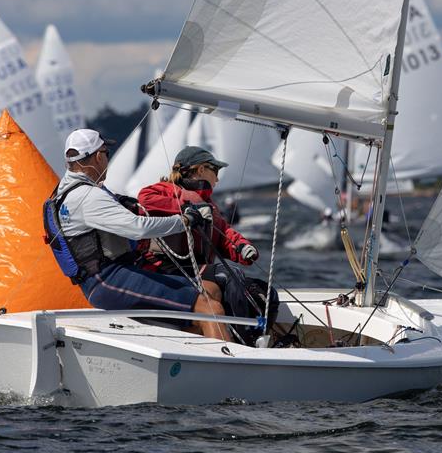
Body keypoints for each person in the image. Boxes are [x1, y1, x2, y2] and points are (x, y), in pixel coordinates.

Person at [43, 129, 229, 340]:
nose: (107, 160)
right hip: (108, 280)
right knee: (210, 308)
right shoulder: (87, 196)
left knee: (210, 290)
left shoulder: (66, 191)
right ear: (97, 156)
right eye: (106, 153)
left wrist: (125, 202)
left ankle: (196, 358)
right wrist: (185, 221)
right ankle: (228, 368)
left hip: (112, 276)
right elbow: (138, 228)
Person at [137, 146, 278, 345]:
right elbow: (145, 199)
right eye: (216, 171)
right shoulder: (165, 190)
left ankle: (259, 340)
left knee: (265, 293)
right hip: (165, 269)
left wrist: (243, 247)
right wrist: (188, 205)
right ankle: (242, 344)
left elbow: (224, 234)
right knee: (227, 274)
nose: (218, 179)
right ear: (201, 170)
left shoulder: (209, 205)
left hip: (200, 270)